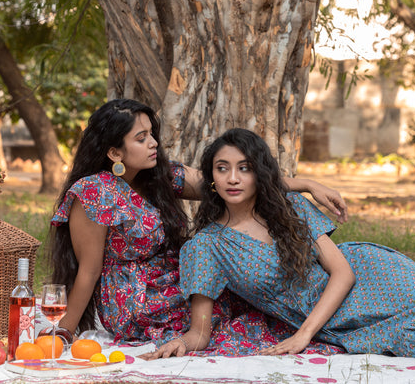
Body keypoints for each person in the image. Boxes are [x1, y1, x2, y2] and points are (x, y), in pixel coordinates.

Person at [147, 128, 415, 366]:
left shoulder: (288, 209)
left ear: (259, 174)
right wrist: (182, 345)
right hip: (336, 317)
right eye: (222, 169)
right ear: (211, 178)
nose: (232, 178)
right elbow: (200, 331)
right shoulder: (205, 247)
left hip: (372, 277)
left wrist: (303, 336)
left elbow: (344, 273)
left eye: (244, 168)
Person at [48, 99, 347, 354]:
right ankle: (319, 320)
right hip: (139, 300)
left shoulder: (159, 176)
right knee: (246, 296)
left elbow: (234, 182)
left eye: (151, 134)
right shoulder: (94, 192)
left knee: (254, 280)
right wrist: (64, 331)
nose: (153, 143)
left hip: (179, 279)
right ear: (115, 153)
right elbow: (88, 270)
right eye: (141, 138)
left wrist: (306, 184)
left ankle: (322, 313)